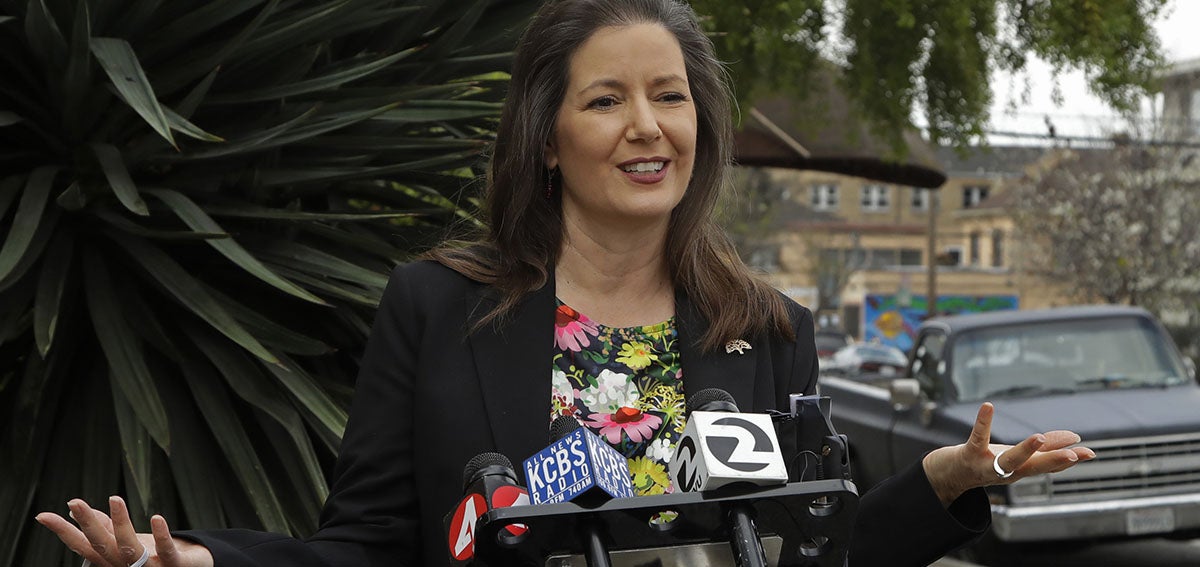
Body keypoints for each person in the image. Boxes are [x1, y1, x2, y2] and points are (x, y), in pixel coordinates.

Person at [36, 0, 1095, 565]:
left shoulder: (767, 326)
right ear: (547, 137)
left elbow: (816, 547)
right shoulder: (436, 307)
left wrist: (953, 481)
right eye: (607, 101)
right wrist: (195, 563)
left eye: (670, 96)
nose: (647, 126)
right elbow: (366, 547)